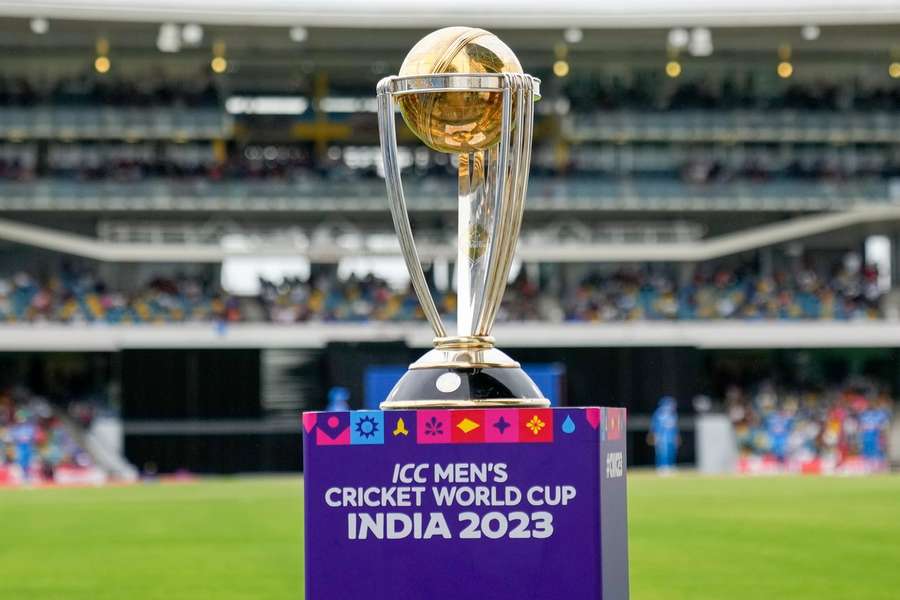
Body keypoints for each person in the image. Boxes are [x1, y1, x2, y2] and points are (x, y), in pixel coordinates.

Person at [649, 396, 679, 473]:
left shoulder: (673, 414)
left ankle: (670, 466)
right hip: (662, 437)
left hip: (671, 437)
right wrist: (655, 436)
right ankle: (661, 467)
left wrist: (676, 437)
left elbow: (675, 428)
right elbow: (654, 426)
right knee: (662, 453)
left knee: (671, 452)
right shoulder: (658, 414)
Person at [11, 409, 36, 483]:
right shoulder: (16, 428)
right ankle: (23, 478)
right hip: (20, 447)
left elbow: (31, 436)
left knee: (28, 463)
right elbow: (14, 437)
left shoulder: (29, 427)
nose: (21, 420)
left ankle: (27, 478)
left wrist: (26, 438)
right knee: (21, 462)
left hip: (27, 447)